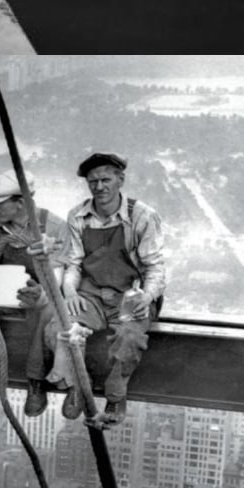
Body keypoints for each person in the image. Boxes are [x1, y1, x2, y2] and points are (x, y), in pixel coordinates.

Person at [51, 152, 166, 425]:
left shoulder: (142, 216)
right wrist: (70, 292)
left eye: (105, 180)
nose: (99, 187)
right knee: (65, 327)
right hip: (91, 294)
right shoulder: (78, 216)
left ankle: (116, 395)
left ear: (120, 180)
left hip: (130, 295)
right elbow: (74, 263)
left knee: (129, 337)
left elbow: (155, 267)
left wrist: (147, 296)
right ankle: (79, 386)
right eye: (93, 182)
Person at [0, 172, 66, 416]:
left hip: (39, 291)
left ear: (21, 202)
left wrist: (41, 292)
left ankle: (36, 379)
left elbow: (57, 276)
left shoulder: (54, 226)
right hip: (2, 288)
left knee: (45, 309)